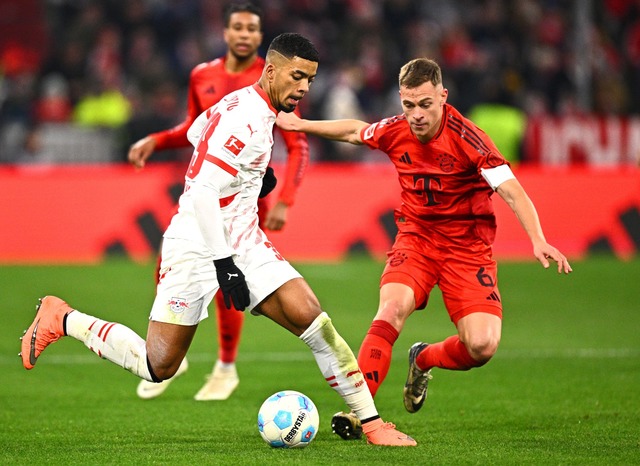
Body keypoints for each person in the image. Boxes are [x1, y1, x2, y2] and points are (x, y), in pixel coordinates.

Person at [20, 32, 416, 447]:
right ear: (271, 70)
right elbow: (205, 192)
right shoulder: (244, 117)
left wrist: (251, 178)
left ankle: (372, 424)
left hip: (243, 236)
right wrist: (224, 265)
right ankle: (62, 317)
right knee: (159, 364)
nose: (303, 88)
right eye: (297, 76)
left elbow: (196, 134)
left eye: (310, 80)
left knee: (313, 318)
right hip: (195, 242)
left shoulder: (251, 107)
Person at [276, 57, 573, 440]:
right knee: (392, 307)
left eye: (425, 104)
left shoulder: (469, 139)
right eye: (408, 104)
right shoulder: (396, 129)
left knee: (481, 346)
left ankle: (424, 357)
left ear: (443, 97)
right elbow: (356, 131)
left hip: (467, 249)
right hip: (416, 239)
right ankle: (359, 412)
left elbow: (511, 190)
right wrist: (301, 124)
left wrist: (537, 238)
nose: (416, 114)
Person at [127, 2, 310, 401]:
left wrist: (285, 201)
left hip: (246, 201)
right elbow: (193, 127)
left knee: (229, 279)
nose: (244, 35)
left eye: (252, 29)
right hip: (207, 188)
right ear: (225, 33)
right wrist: (155, 140)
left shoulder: (279, 76)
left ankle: (225, 366)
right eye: (238, 28)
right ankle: (174, 351)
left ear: (261, 38)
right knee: (168, 265)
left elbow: (297, 142)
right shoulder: (202, 75)